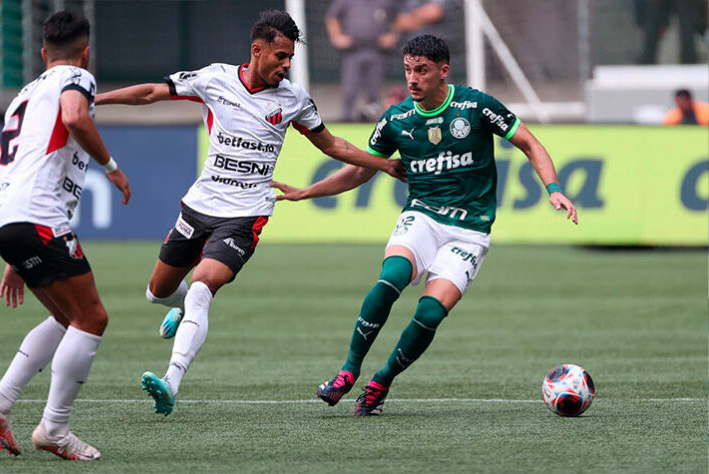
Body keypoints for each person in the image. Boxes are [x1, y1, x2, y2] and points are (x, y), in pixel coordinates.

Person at [95, 9, 403, 417]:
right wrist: (93, 101)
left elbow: (331, 145)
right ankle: (180, 310)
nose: (287, 65)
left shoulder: (294, 99)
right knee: (157, 291)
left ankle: (171, 381)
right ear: (257, 50)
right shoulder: (215, 79)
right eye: (280, 56)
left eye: (291, 57)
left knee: (203, 287)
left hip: (246, 213)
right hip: (200, 204)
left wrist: (383, 164)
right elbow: (151, 93)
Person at [272, 35, 578, 416]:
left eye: (422, 71)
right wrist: (306, 193)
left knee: (431, 313)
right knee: (391, 278)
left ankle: (381, 380)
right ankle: (348, 371)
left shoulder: (476, 106)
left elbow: (530, 143)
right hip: (423, 216)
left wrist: (553, 189)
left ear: (443, 71)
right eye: (407, 70)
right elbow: (358, 172)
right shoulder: (396, 120)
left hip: (470, 229)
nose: (412, 79)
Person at [0, 11, 131, 460]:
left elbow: (30, 164)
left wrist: (15, 258)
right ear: (85, 53)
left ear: (43, 54)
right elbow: (76, 118)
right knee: (92, 318)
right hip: (35, 217)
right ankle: (55, 429)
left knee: (68, 318)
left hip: (4, 216)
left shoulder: (24, 93)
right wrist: (113, 169)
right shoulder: (78, 78)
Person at [326, 0, 403, 122]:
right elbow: (332, 17)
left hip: (377, 50)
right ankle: (347, 119)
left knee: (374, 90)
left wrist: (393, 35)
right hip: (353, 50)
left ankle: (373, 120)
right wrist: (336, 36)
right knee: (350, 88)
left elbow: (398, 17)